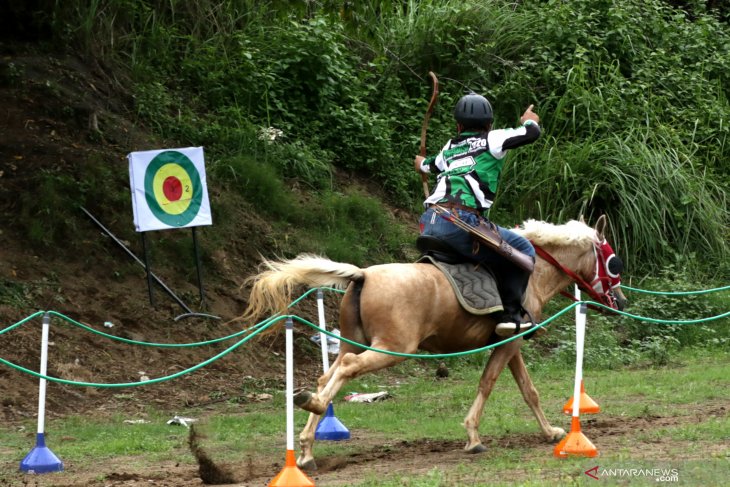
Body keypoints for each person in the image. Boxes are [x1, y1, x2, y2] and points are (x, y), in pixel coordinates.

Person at [414, 92, 541, 336]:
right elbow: (531, 133)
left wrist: (419, 163)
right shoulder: (493, 139)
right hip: (461, 222)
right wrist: (529, 119)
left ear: (458, 126)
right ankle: (511, 315)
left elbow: (426, 165)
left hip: (428, 222)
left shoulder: (449, 148)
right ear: (489, 124)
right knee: (524, 250)